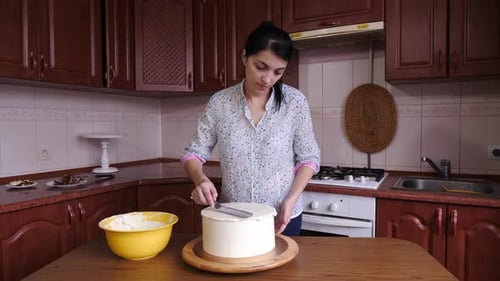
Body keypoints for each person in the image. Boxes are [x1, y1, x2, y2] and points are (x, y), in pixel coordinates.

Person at [181, 21, 320, 236]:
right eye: (260, 67)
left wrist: (291, 200)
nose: (267, 79)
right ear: (244, 57)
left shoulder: (295, 103)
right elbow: (193, 154)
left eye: (278, 72)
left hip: (283, 217)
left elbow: (309, 159)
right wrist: (200, 180)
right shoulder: (220, 103)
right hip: (234, 217)